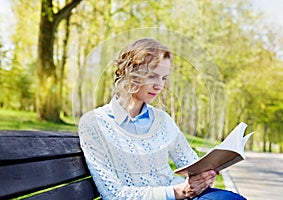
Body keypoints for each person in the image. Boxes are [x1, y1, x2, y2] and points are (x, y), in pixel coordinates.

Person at [78, 38, 246, 200]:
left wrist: (205, 174)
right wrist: (178, 191)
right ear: (131, 72)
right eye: (152, 76)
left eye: (163, 78)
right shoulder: (94, 123)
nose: (160, 85)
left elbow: (191, 162)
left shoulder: (162, 120)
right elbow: (114, 194)